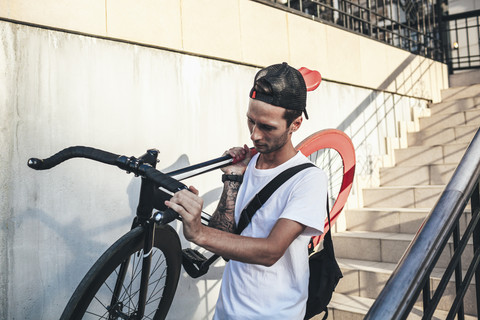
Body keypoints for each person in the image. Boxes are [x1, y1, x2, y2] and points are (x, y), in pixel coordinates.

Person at [166, 62, 328, 319]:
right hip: (226, 312)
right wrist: (233, 178)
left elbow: (271, 251)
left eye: (266, 127)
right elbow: (223, 236)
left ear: (295, 124)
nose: (254, 135)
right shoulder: (249, 164)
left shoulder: (309, 180)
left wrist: (198, 233)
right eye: (250, 121)